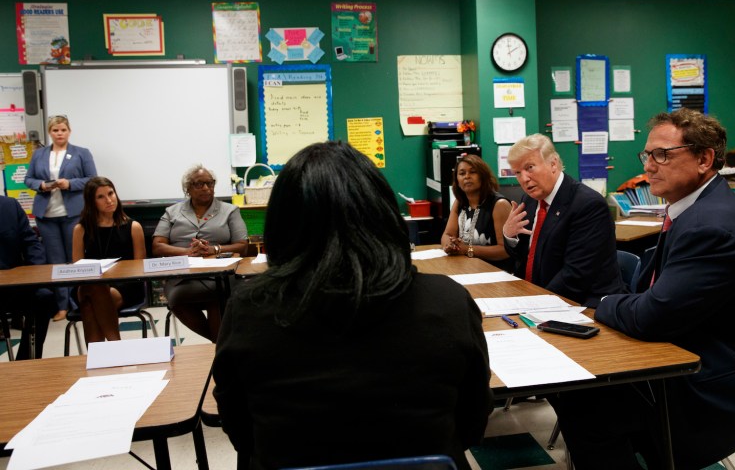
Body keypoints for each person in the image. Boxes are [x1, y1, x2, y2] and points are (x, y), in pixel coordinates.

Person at [212, 141, 492, 470]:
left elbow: (241, 436)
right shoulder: (448, 301)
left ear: (282, 225)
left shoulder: (248, 308)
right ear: (385, 215)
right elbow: (473, 427)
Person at [549, 109, 735, 469]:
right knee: (574, 390)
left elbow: (652, 315)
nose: (649, 165)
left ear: (704, 158)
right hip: (688, 355)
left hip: (717, 385)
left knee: (584, 407)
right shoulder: (695, 209)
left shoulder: (712, 227)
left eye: (662, 154)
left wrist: (602, 303)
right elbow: (649, 299)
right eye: (647, 155)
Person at [502, 134, 624, 307]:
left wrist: (536, 303)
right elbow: (523, 257)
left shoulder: (588, 205)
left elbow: (576, 275)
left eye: (529, 168)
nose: (524, 179)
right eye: (517, 173)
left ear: (553, 164)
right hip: (539, 297)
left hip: (584, 305)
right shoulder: (529, 200)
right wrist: (509, 235)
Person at [152, 164, 247, 342]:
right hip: (183, 275)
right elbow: (158, 245)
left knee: (217, 293)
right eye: (199, 184)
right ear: (188, 189)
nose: (206, 188)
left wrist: (215, 249)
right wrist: (187, 252)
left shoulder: (229, 210)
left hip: (221, 273)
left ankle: (219, 346)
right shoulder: (172, 212)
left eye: (209, 183)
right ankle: (220, 343)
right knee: (176, 299)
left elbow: (242, 245)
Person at [24, 114, 97, 321]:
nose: (59, 134)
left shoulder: (81, 153)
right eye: (55, 130)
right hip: (46, 215)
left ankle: (80, 302)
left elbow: (93, 179)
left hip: (73, 213)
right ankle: (62, 306)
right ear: (50, 132)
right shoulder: (39, 154)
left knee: (75, 260)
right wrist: (41, 185)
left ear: (69, 131)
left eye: (63, 130)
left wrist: (70, 184)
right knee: (56, 262)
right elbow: (28, 179)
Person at [71, 177, 146, 344]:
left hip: (126, 286)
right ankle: (115, 347)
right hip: (89, 284)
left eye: (111, 193)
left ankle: (100, 355)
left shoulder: (133, 227)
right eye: (101, 197)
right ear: (91, 202)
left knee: (90, 303)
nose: (109, 200)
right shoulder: (81, 229)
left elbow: (139, 268)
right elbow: (77, 270)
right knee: (94, 286)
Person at [0, 196, 56, 360]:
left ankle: (27, 361)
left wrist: (37, 271)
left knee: (43, 297)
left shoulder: (9, 206)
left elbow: (31, 242)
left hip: (12, 284)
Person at [441, 154, 512, 270]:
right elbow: (447, 234)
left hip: (497, 273)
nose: (467, 177)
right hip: (466, 268)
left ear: (483, 176)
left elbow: (505, 250)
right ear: (457, 180)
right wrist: (450, 246)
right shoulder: (459, 203)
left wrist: (467, 249)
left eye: (473, 172)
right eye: (462, 173)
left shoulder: (500, 204)